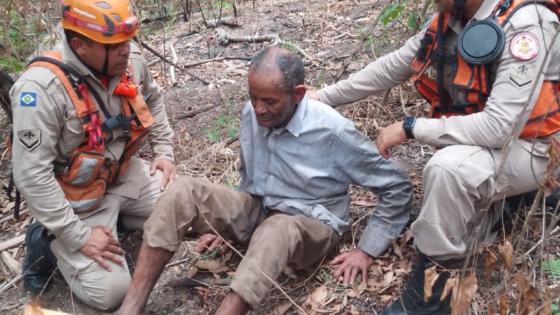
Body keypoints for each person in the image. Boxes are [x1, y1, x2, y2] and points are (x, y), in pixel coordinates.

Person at [116, 47, 413, 315]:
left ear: (298, 94)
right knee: (183, 190)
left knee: (276, 228)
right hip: (262, 210)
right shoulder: (254, 114)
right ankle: (132, 306)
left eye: (270, 101)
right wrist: (228, 223)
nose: (258, 108)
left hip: (311, 225)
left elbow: (396, 186)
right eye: (253, 97)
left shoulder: (331, 131)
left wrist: (366, 250)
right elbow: (250, 178)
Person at [308, 0, 560, 313]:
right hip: (489, 145)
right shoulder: (454, 16)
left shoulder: (526, 23)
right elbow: (395, 65)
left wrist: (411, 128)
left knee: (447, 170)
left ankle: (434, 297)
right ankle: (506, 204)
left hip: (534, 148)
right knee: (449, 186)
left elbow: (499, 128)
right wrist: (324, 97)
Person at [10, 0, 176, 310]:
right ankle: (46, 237)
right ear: (79, 46)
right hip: (78, 200)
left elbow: (153, 98)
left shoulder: (129, 60)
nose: (125, 50)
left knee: (183, 211)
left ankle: (119, 218)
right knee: (111, 293)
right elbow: (32, 176)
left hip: (123, 175)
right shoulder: (40, 90)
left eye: (126, 41)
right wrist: (79, 236)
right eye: (113, 45)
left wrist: (164, 151)